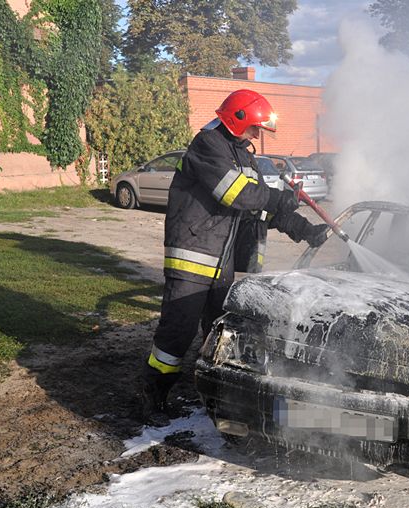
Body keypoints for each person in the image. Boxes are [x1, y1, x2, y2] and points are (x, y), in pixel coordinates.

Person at [140, 89, 330, 424]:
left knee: (219, 332)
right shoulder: (207, 146)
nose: (257, 135)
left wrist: (303, 228)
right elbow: (238, 195)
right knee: (176, 334)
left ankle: (208, 393)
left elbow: (258, 208)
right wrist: (276, 198)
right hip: (193, 256)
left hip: (220, 264)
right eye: (255, 128)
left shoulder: (242, 155)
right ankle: (152, 397)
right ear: (237, 119)